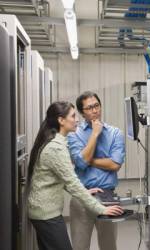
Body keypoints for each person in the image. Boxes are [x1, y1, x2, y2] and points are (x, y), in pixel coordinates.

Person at [27, 101, 123, 250]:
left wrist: (86, 191)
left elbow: (62, 178)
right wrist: (101, 209)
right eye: (73, 116)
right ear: (61, 120)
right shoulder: (56, 148)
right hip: (46, 214)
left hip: (44, 212)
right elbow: (72, 182)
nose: (77, 119)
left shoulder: (58, 142)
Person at [68, 91, 125, 250]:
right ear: (81, 112)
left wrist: (87, 160)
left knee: (109, 246)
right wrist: (94, 133)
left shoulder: (115, 133)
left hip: (108, 197)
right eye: (89, 108)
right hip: (82, 196)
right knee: (80, 246)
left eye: (96, 106)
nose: (94, 111)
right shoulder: (74, 133)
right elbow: (80, 162)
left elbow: (115, 164)